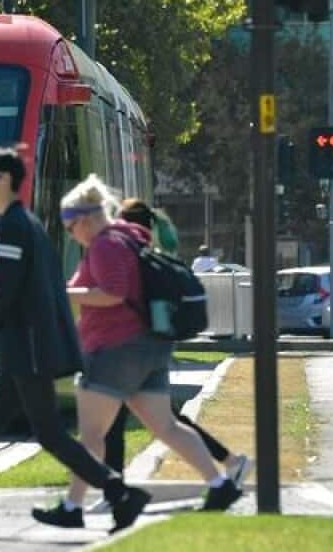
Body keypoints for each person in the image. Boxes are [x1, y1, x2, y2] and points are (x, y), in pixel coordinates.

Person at [0, 147, 150, 539]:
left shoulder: (13, 225)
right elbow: (25, 275)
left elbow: (8, 290)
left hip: (25, 350)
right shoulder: (25, 224)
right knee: (25, 430)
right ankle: (118, 493)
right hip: (29, 349)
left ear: (2, 180)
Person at [32, 176, 242, 530]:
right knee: (167, 426)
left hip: (114, 349)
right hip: (149, 347)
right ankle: (219, 485)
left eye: (70, 227)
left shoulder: (104, 245)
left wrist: (67, 295)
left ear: (84, 218)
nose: (71, 235)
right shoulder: (129, 239)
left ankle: (72, 506)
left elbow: (112, 293)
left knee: (91, 436)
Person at [89, 199, 249, 514]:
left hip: (133, 349)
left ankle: (114, 492)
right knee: (166, 421)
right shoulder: (154, 257)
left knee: (123, 422)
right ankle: (230, 464)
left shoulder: (133, 258)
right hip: (150, 347)